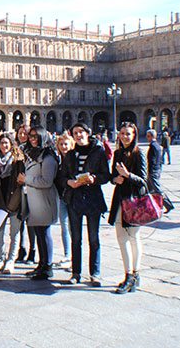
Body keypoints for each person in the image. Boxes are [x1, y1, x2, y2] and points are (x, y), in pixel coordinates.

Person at [55, 122, 109, 286]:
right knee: (76, 238)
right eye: (75, 133)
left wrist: (94, 179)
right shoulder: (70, 155)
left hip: (92, 198)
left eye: (81, 132)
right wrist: (69, 183)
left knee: (93, 238)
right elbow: (61, 178)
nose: (79, 135)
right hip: (74, 199)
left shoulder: (98, 152)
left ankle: (95, 273)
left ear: (88, 132)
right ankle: (76, 273)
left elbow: (106, 175)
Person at [108, 123, 147, 294]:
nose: (124, 136)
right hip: (119, 199)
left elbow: (144, 180)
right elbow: (112, 176)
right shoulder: (117, 153)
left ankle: (133, 275)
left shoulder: (139, 154)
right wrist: (115, 179)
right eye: (122, 133)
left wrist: (127, 175)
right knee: (121, 238)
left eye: (128, 134)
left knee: (134, 237)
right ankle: (129, 274)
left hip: (134, 201)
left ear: (134, 135)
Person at [0, 133, 25, 275]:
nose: (4, 146)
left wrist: (13, 204)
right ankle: (0, 258)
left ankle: (11, 261)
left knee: (14, 234)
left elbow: (20, 185)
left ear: (11, 144)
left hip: (14, 203)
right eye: (2, 143)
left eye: (6, 143)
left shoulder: (18, 161)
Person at [23, 128, 59, 281]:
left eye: (36, 137)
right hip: (35, 198)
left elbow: (46, 181)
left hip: (44, 199)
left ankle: (48, 266)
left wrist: (26, 179)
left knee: (44, 233)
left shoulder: (48, 158)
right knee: (39, 232)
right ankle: (41, 264)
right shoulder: (36, 154)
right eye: (31, 136)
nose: (32, 139)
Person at [53, 133, 73, 267]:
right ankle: (67, 254)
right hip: (61, 197)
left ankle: (74, 254)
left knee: (73, 227)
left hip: (73, 198)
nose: (64, 147)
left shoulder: (75, 160)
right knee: (64, 226)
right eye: (61, 144)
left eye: (66, 144)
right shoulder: (57, 160)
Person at [146, 129, 173, 213]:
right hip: (157, 169)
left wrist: (150, 171)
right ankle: (149, 206)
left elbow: (152, 160)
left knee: (157, 190)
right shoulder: (157, 145)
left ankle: (168, 205)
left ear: (153, 136)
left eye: (148, 136)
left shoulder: (153, 146)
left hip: (153, 171)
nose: (147, 138)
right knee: (148, 190)